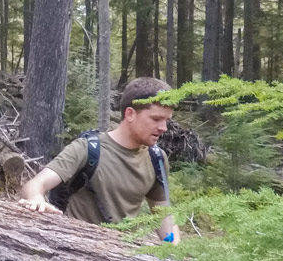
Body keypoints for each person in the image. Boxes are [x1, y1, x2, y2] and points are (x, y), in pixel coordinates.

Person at [19, 77, 181, 243]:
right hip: (74, 252)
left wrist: (174, 247)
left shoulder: (157, 158)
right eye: (156, 119)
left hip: (126, 258)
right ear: (130, 114)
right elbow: (35, 184)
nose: (164, 128)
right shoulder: (87, 149)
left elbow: (163, 214)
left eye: (166, 120)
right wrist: (36, 198)